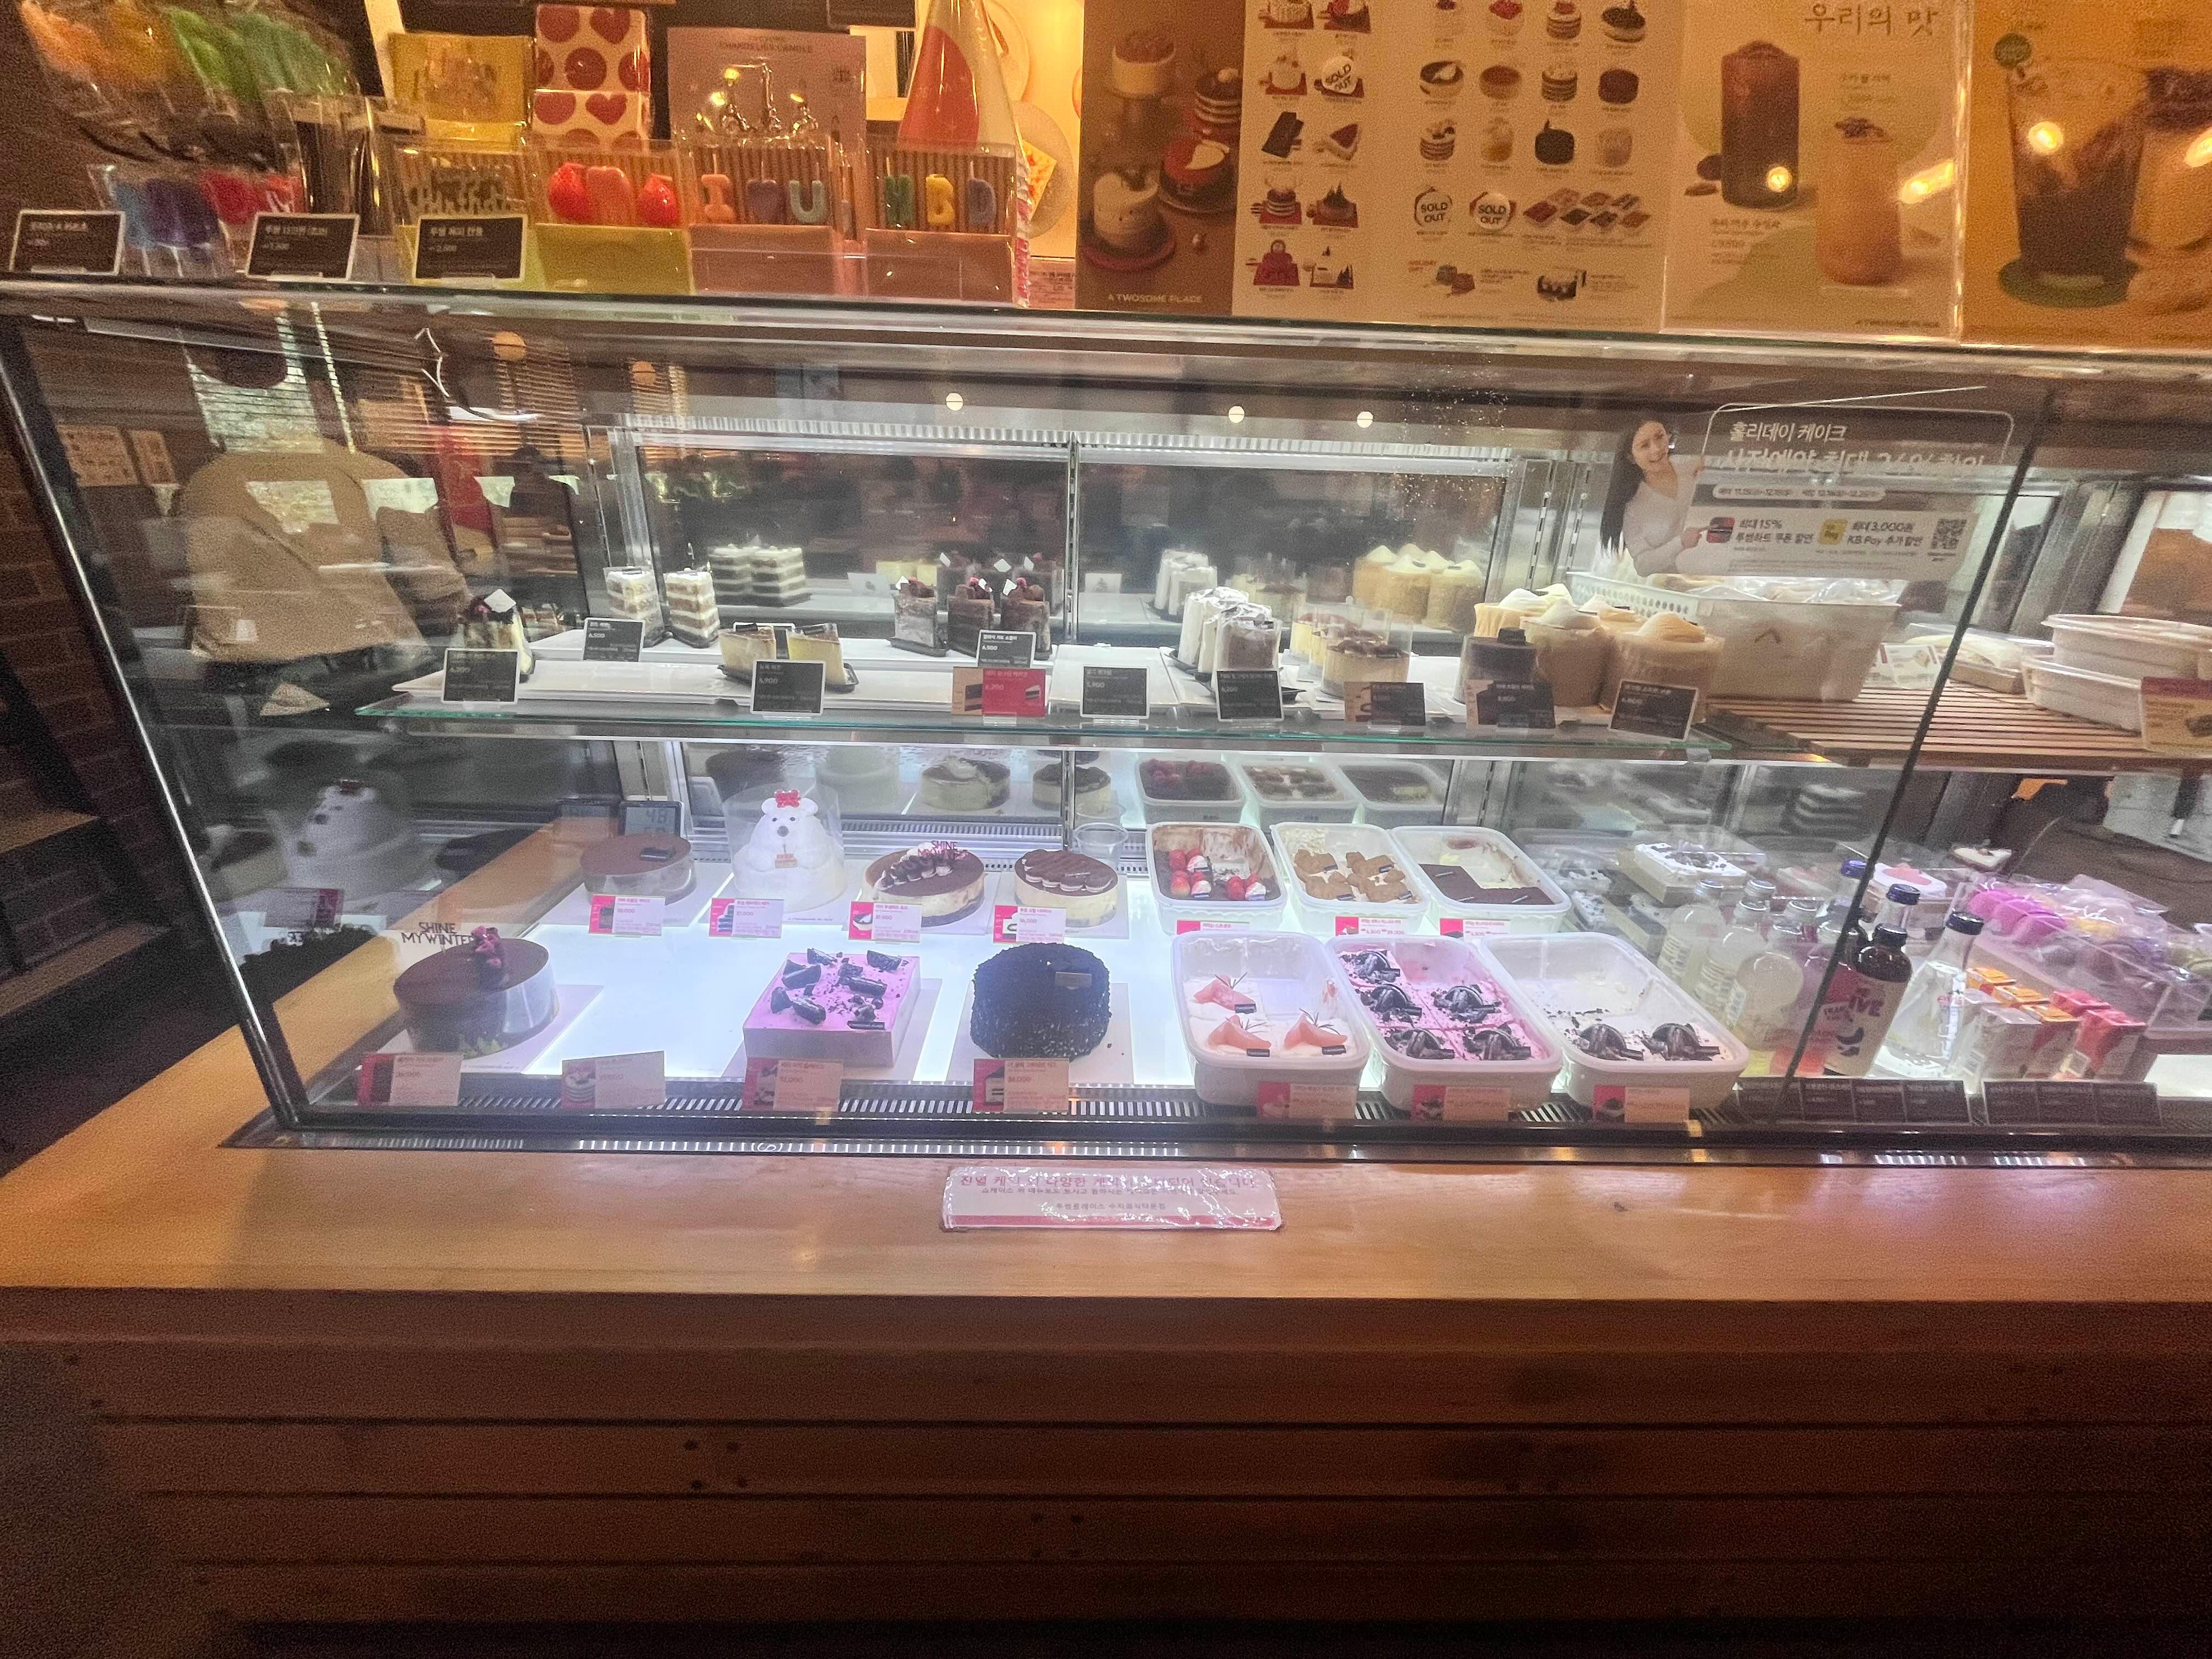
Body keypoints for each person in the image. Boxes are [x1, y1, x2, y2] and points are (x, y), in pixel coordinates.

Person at [1598, 416, 1725, 577]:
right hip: (1668, 584)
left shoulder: (1692, 468)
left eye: (1660, 437)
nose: (1657, 449)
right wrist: (1681, 543)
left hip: (1717, 571)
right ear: (1631, 457)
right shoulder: (1633, 505)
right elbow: (1643, 566)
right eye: (1645, 446)